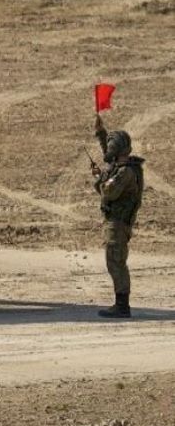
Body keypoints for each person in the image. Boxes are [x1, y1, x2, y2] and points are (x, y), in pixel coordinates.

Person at [91, 114, 145, 318]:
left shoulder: (125, 173)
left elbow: (108, 192)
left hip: (118, 223)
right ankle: (121, 303)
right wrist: (101, 133)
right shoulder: (124, 167)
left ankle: (122, 306)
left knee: (115, 261)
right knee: (115, 260)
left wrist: (99, 178)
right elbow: (109, 158)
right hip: (117, 222)